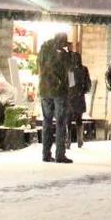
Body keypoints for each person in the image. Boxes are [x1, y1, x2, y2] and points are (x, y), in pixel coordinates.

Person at [36, 35, 73, 164]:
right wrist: (70, 53)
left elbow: (39, 66)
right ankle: (60, 154)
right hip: (59, 91)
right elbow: (69, 68)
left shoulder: (43, 51)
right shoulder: (62, 54)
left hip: (44, 90)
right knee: (60, 122)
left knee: (47, 122)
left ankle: (46, 154)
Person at [68, 47, 92, 149]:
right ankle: (79, 140)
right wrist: (83, 91)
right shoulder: (84, 69)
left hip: (71, 97)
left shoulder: (70, 69)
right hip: (79, 97)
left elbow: (70, 83)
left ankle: (68, 140)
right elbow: (88, 83)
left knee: (68, 120)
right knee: (79, 119)